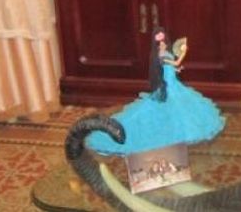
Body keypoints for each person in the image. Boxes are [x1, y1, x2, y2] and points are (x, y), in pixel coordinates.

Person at [85, 28, 225, 155]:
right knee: (174, 106)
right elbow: (175, 62)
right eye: (159, 44)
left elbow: (172, 67)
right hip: (169, 85)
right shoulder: (161, 55)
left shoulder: (165, 53)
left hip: (172, 82)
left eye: (163, 42)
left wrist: (176, 69)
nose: (162, 45)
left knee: (179, 107)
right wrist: (184, 52)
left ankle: (174, 128)